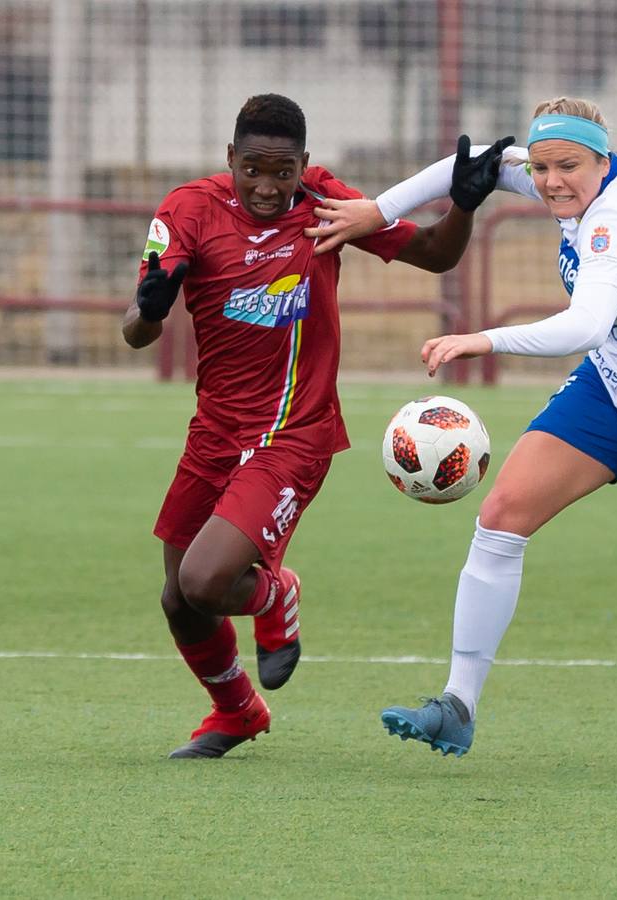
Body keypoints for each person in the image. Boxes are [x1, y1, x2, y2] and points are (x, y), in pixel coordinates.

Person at [307, 97, 617, 758]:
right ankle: (457, 704)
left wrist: (483, 338)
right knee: (501, 514)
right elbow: (464, 167)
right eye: (539, 167)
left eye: (569, 166)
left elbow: (584, 325)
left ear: (604, 158)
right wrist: (378, 211)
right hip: (611, 390)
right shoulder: (552, 176)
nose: (551, 180)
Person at [122, 94, 504, 759]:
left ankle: (276, 595)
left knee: (208, 582)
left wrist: (463, 205)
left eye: (282, 172)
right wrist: (150, 309)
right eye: (252, 170)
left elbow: (436, 255)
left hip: (294, 433)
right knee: (178, 599)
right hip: (213, 432)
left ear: (304, 164)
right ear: (229, 160)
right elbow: (135, 331)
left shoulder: (326, 204)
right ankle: (237, 713)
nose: (267, 188)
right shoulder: (186, 209)